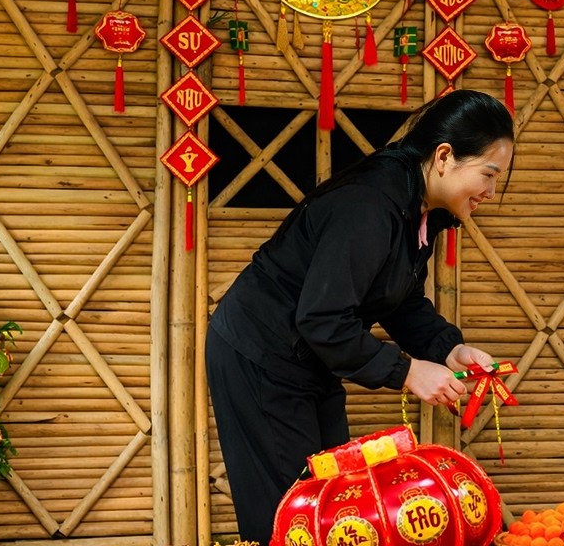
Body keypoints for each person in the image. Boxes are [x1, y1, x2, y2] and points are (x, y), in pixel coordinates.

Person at [206, 89, 514, 544]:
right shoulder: (370, 205)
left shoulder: (418, 208)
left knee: (335, 502)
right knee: (289, 515)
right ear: (445, 156)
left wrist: (449, 348)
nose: (490, 192)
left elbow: (402, 301)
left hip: (311, 359)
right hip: (261, 354)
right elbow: (323, 320)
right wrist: (407, 371)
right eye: (488, 174)